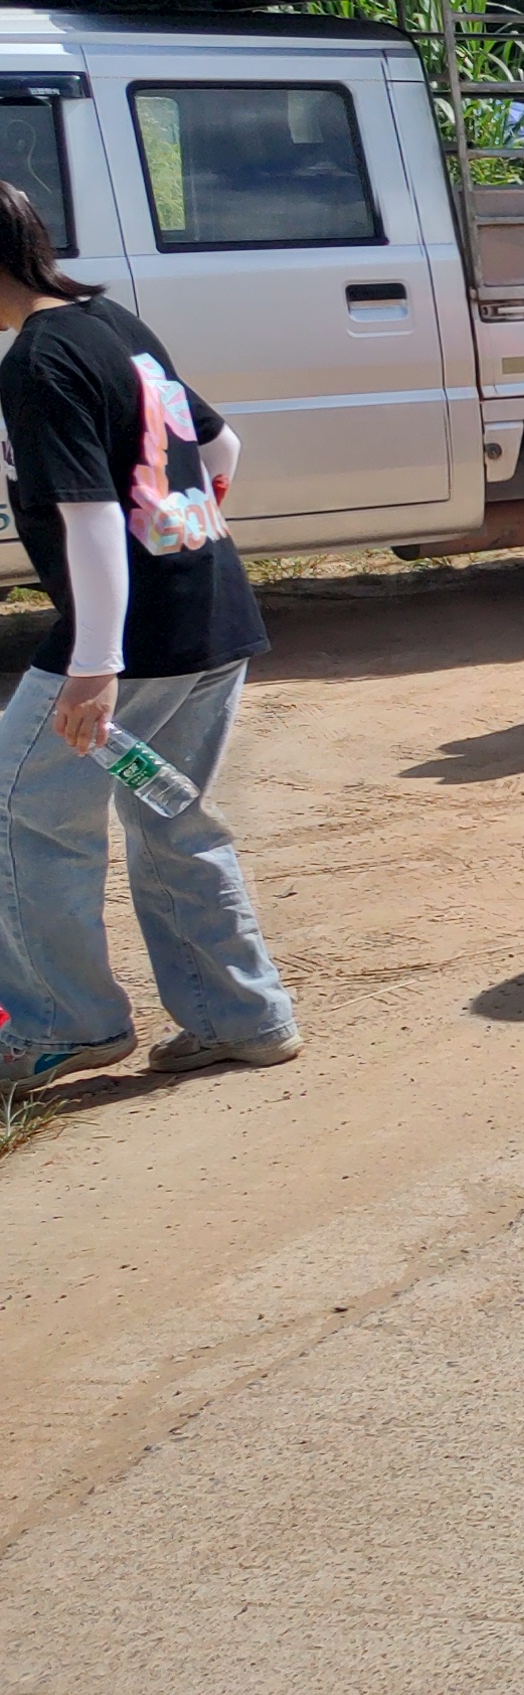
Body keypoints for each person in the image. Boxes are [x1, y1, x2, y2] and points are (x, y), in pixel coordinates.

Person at [0, 181, 300, 1086]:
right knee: (169, 812)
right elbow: (222, 447)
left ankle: (63, 1021)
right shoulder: (110, 323)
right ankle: (240, 1015)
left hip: (128, 654)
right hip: (207, 622)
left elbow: (90, 517)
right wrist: (187, 531)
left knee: (22, 812)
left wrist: (93, 668)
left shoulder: (34, 363)